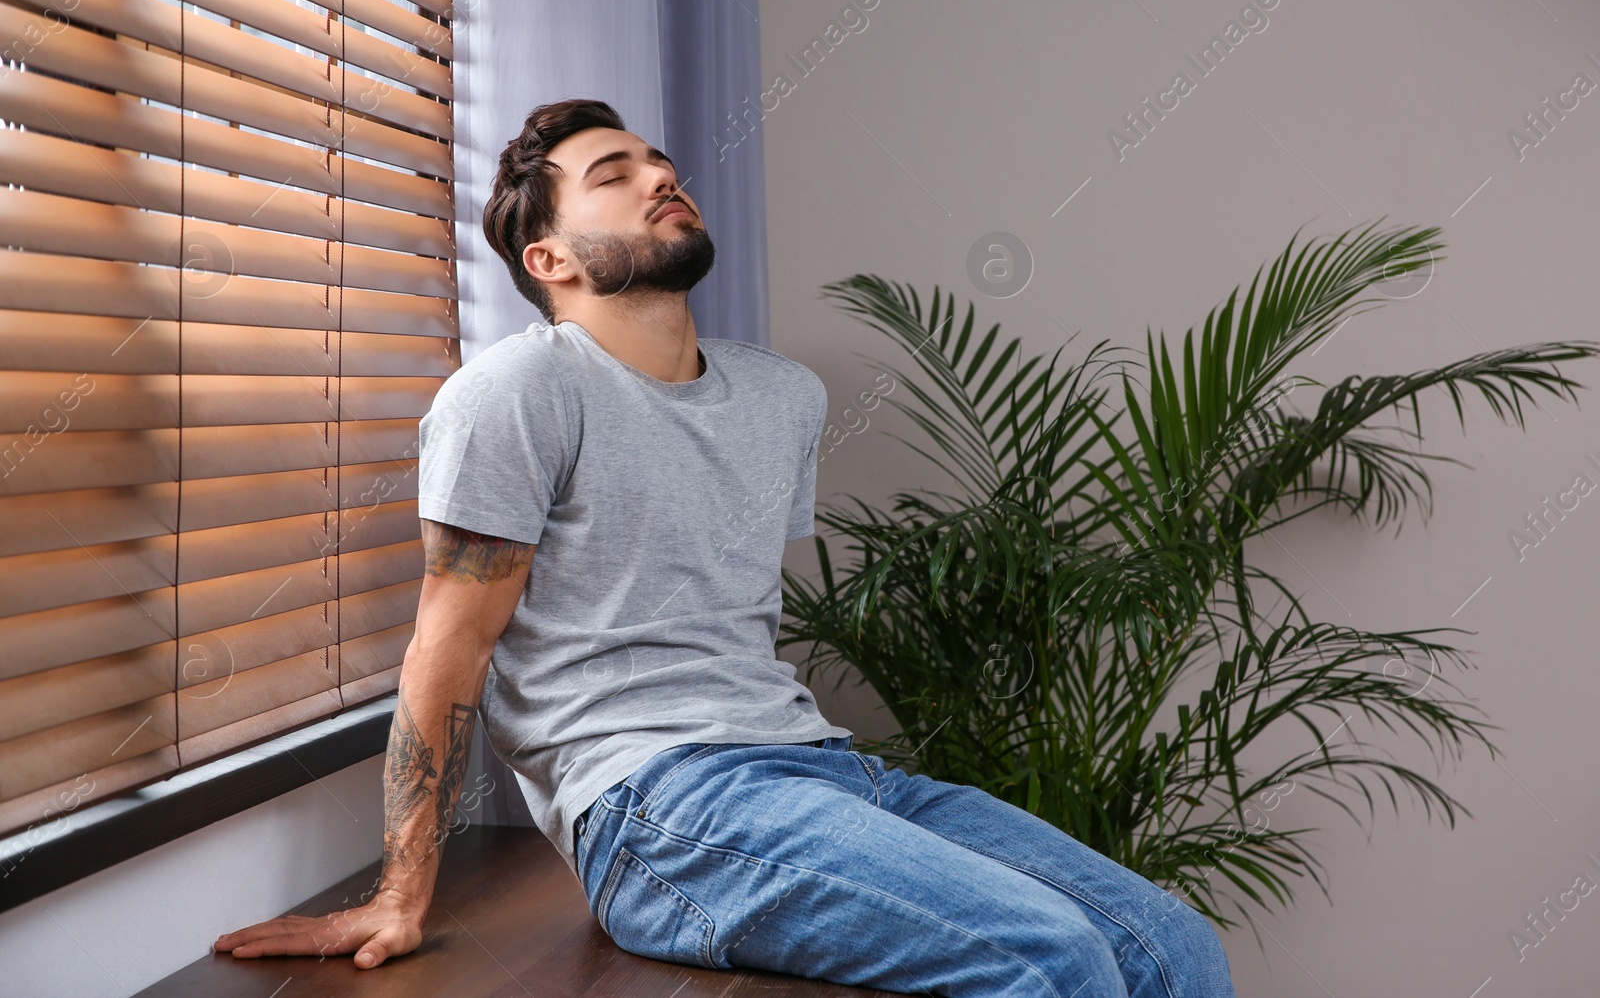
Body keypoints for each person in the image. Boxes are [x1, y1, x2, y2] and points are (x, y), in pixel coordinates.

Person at [212, 98, 1236, 997]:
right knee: (1051, 958)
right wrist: (402, 890)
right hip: (657, 803)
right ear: (550, 259)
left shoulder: (783, 396)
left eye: (662, 164)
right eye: (614, 174)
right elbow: (449, 644)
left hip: (822, 770)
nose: (662, 175)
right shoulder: (516, 393)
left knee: (1170, 947)